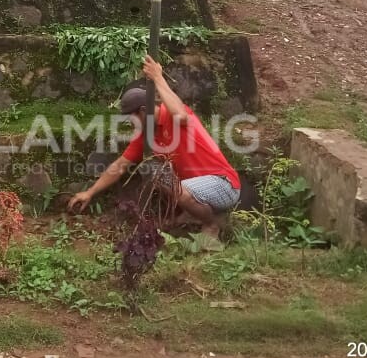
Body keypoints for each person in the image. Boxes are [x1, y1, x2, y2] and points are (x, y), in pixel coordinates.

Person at [68, 55, 241, 238]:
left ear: (143, 111)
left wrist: (158, 77)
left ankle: (212, 225)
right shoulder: (146, 135)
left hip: (224, 185)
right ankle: (190, 215)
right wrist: (90, 192)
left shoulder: (175, 118)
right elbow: (119, 166)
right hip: (194, 190)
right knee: (155, 170)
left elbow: (180, 114)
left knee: (176, 188)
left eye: (131, 118)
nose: (131, 123)